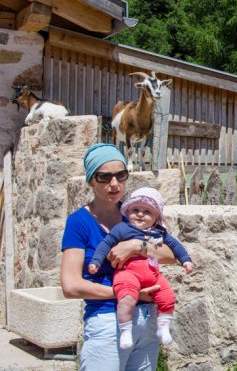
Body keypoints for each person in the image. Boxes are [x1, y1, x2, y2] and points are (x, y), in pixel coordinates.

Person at [60, 143, 176, 371]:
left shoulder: (136, 214)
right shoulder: (79, 223)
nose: (114, 184)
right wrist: (127, 293)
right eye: (104, 177)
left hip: (146, 320)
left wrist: (136, 245)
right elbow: (70, 285)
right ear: (91, 180)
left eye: (120, 175)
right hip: (106, 321)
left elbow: (172, 254)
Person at [88, 187, 193, 349]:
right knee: (127, 299)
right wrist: (96, 261)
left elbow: (175, 246)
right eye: (135, 210)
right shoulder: (123, 229)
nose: (140, 214)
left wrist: (185, 260)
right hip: (128, 273)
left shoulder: (159, 233)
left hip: (153, 274)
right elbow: (106, 244)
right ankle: (125, 330)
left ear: (156, 217)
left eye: (147, 212)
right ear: (128, 211)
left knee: (167, 297)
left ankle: (163, 327)